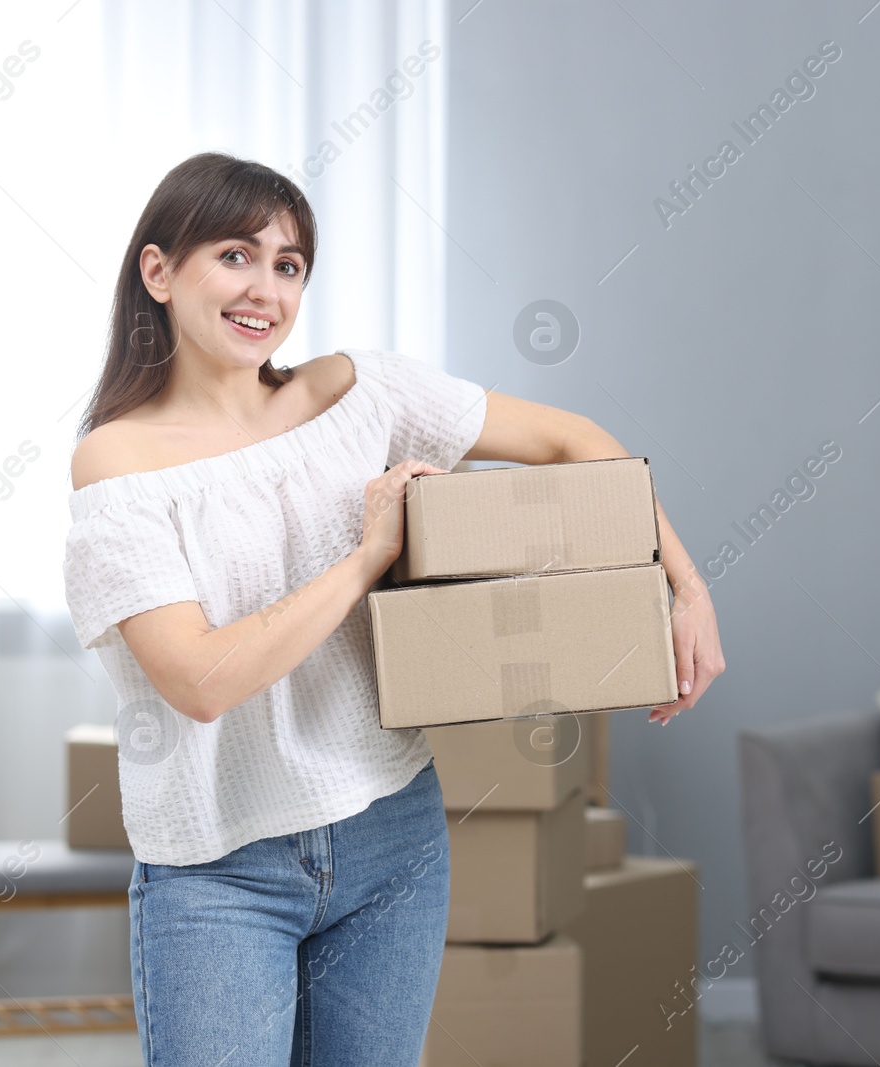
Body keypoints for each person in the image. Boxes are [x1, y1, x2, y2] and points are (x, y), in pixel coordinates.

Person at [63, 151, 724, 1067]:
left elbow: (576, 442)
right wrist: (369, 552)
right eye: (236, 255)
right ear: (159, 270)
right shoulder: (120, 463)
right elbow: (201, 679)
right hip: (219, 869)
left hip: (389, 831)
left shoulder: (363, 393)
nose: (266, 289)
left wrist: (684, 588)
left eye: (289, 265)